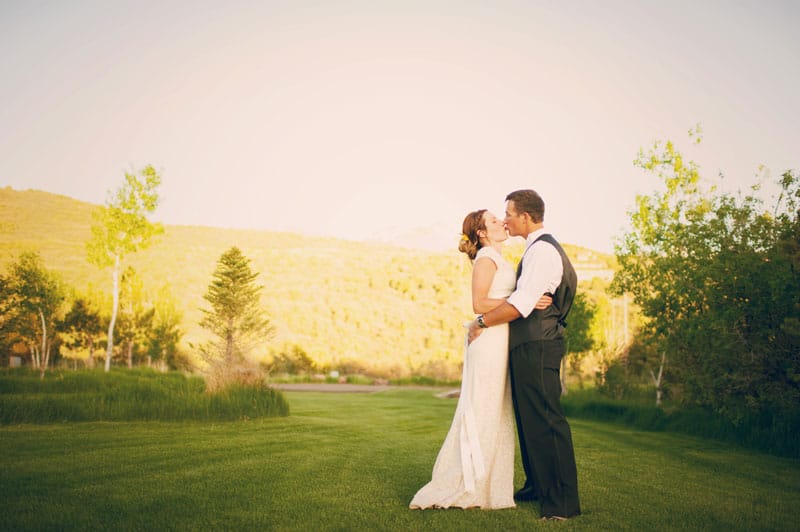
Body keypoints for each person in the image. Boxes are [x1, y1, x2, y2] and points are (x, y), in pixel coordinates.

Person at [409, 209, 551, 510]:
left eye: (501, 218)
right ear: (482, 233)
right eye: (494, 220)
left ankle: (489, 487)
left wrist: (522, 299)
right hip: (488, 342)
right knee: (482, 407)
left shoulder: (498, 258)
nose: (502, 221)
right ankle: (466, 484)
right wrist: (525, 299)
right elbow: (478, 303)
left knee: (495, 409)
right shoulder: (486, 259)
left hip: (501, 338)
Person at [467, 189, 581, 520]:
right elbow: (524, 298)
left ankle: (561, 504)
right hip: (529, 344)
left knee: (546, 420)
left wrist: (481, 321)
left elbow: (519, 305)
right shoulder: (534, 251)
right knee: (530, 420)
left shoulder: (542, 252)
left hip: (539, 344)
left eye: (510, 214)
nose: (505, 220)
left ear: (526, 218)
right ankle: (536, 486)